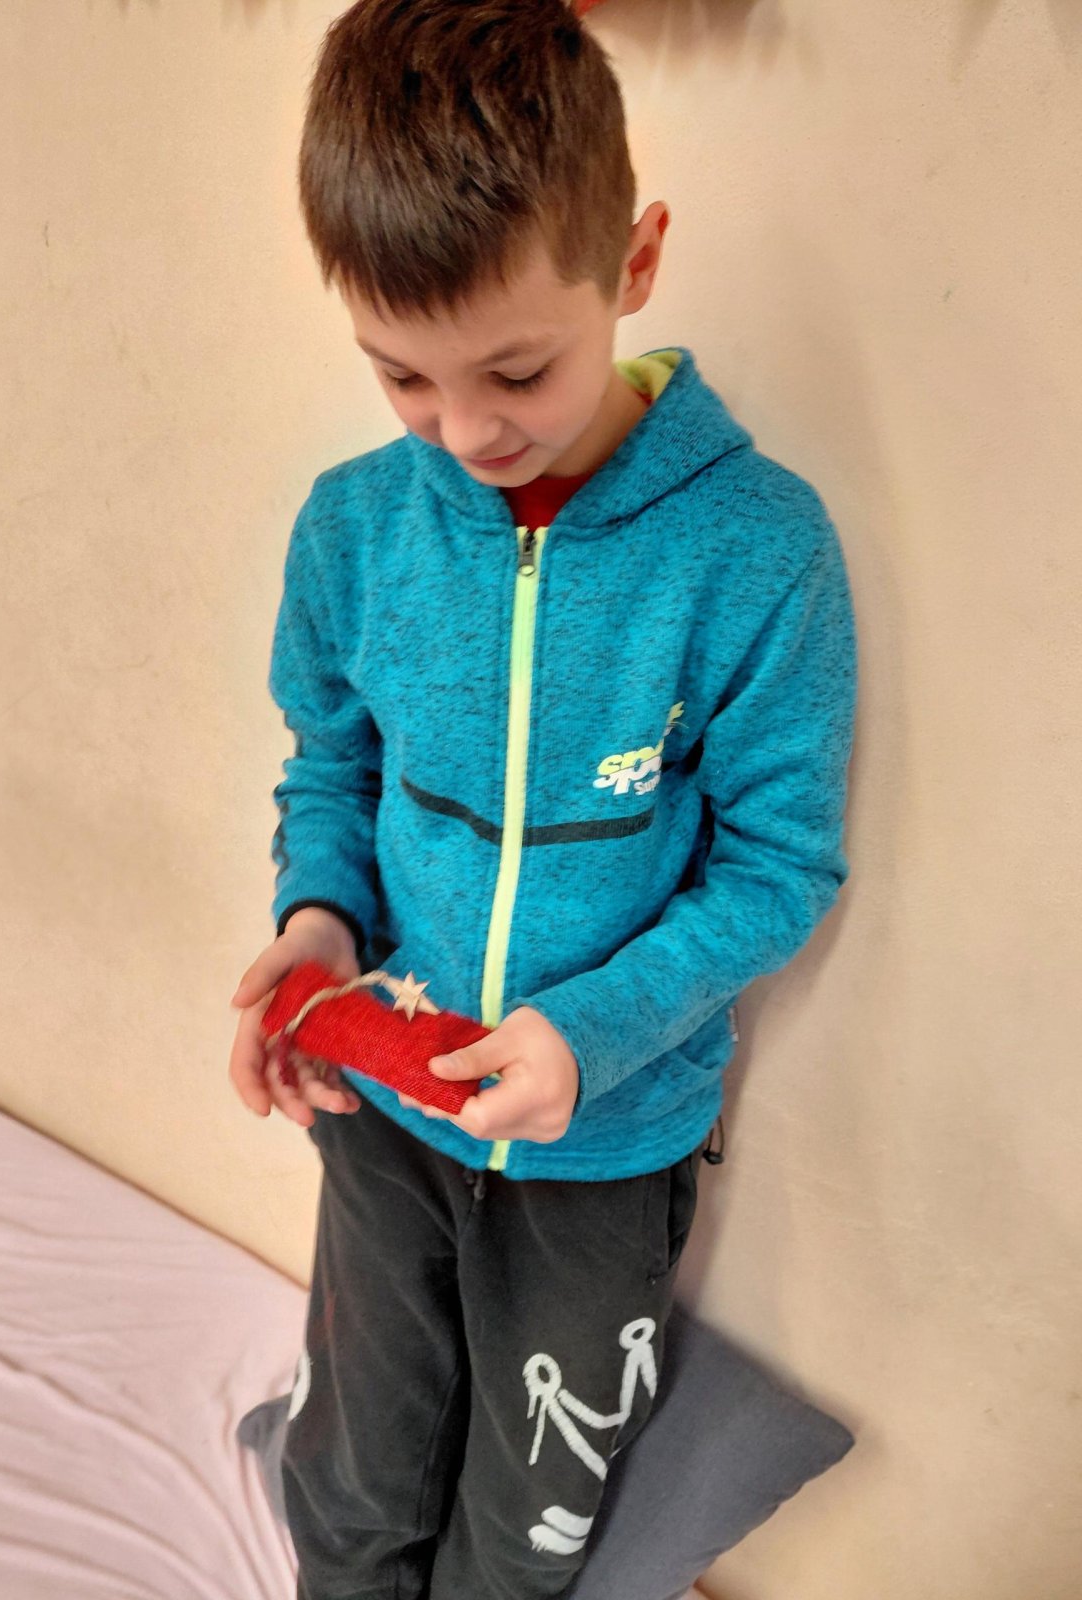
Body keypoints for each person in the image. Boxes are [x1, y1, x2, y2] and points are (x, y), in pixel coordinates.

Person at [228, 2, 858, 1595]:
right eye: (400, 376)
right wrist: (316, 929)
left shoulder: (758, 550)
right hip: (386, 1114)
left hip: (607, 1141)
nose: (466, 432)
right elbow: (332, 766)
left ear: (634, 263)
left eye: (518, 370)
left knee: (528, 1535)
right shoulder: (353, 529)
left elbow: (777, 867)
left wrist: (593, 1036)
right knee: (354, 1480)